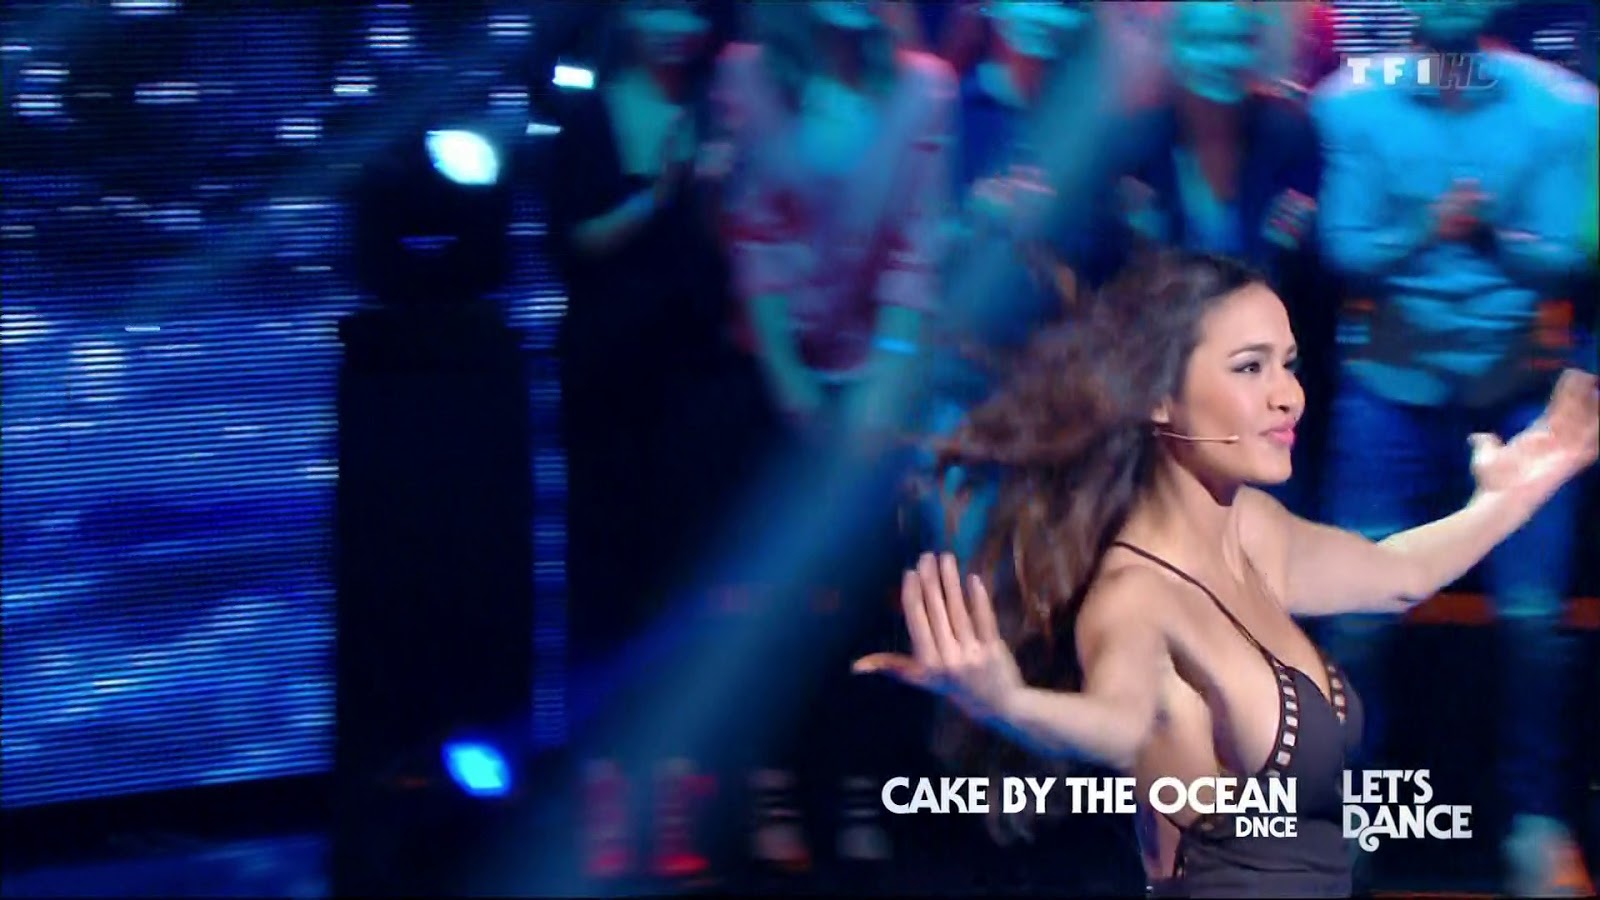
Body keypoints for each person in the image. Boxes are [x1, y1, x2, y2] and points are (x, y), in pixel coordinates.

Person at [853, 249, 1599, 898]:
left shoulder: (1255, 531)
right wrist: (1011, 703)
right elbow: (1118, 724)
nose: (1288, 395)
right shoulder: (1137, 592)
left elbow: (1397, 573)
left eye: (1289, 364)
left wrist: (1513, 497)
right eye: (1250, 368)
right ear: (1161, 398)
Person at [1310, 1, 1598, 892]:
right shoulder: (1349, 103)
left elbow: (1566, 256)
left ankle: (1536, 823)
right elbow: (1346, 250)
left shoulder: (1563, 108)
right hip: (1390, 389)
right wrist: (1433, 229)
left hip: (1516, 389)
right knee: (1355, 617)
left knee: (1534, 622)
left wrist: (1478, 235)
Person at [710, 0, 957, 870]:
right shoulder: (747, 76)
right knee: (769, 599)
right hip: (768, 375)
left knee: (863, 596)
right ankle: (774, 783)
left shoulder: (925, 90)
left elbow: (916, 250)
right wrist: (792, 385)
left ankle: (857, 784)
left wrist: (883, 383)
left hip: (878, 380)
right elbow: (753, 236)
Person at [541, 0, 768, 882]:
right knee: (604, 596)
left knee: (685, 594)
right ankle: (603, 805)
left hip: (697, 384)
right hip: (606, 386)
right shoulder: (587, 115)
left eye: (690, 11)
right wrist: (659, 194)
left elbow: (742, 249)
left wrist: (710, 196)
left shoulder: (722, 110)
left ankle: (679, 805)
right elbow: (573, 242)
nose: (677, 26)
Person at [1119, 0, 1332, 521]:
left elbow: (1309, 274)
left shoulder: (1289, 135)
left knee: (1268, 537)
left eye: (1236, 41)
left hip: (1269, 381)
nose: (1221, 57)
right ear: (1174, 50)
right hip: (1164, 382)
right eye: (1204, 41)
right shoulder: (1136, 142)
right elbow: (1117, 276)